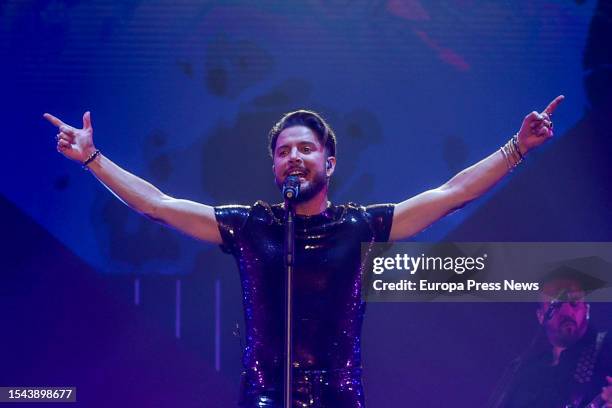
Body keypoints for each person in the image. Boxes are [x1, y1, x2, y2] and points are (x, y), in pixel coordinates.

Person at [45, 96, 564, 407]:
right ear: (274, 167)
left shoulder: (360, 226)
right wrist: (92, 158)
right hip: (265, 396)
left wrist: (516, 148)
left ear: (329, 162)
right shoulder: (251, 226)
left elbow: (453, 195)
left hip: (341, 397)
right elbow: (158, 205)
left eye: (305, 148)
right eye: (283, 151)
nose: (294, 157)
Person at [500, 268, 612, 408]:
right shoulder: (526, 370)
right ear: (541, 316)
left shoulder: (608, 347)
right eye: (556, 304)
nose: (566, 311)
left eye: (574, 302)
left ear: (587, 310)